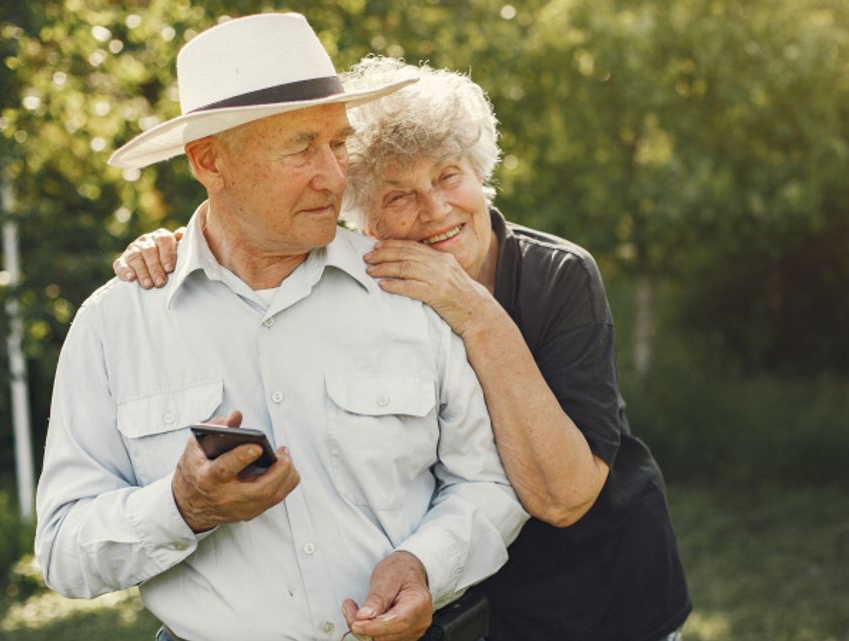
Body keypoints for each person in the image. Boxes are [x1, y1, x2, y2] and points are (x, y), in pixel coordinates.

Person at [116, 56, 692, 641]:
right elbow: (254, 235)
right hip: (475, 605)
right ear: (361, 219)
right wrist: (193, 243)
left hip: (605, 594)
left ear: (479, 171)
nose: (436, 210)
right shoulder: (373, 285)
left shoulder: (558, 276)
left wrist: (474, 311)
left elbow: (566, 497)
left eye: (448, 176)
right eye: (399, 196)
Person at [35, 14, 527, 641]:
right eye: (300, 148)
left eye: (338, 143)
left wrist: (423, 564)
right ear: (210, 161)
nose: (335, 174)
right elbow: (62, 552)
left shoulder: (411, 290)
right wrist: (182, 507)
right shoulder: (115, 326)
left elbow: (485, 483)